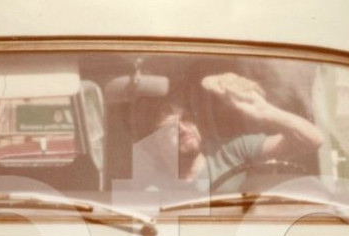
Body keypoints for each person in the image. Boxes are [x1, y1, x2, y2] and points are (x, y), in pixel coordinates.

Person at [133, 73, 323, 192]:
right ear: (155, 144)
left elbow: (312, 140)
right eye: (170, 129)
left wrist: (266, 112)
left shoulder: (230, 151)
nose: (183, 128)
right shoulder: (154, 190)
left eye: (187, 119)